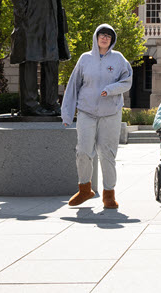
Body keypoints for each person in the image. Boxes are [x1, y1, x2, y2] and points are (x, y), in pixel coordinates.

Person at [61, 24, 132, 209]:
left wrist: (110, 90)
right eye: (102, 34)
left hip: (111, 114)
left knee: (107, 153)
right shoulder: (85, 59)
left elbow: (127, 81)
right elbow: (73, 87)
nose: (104, 38)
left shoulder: (119, 59)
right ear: (96, 37)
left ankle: (109, 194)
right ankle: (85, 189)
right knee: (83, 151)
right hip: (86, 112)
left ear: (112, 40)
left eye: (108, 35)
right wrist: (67, 114)